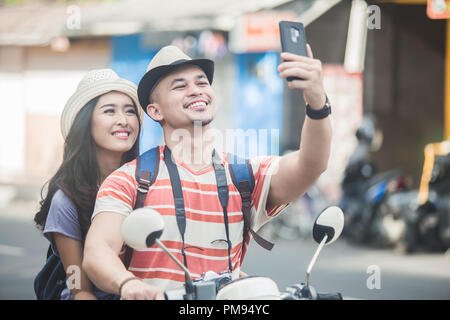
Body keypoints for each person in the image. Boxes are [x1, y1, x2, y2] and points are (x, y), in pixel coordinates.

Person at [83, 45, 332, 300]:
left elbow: (311, 165)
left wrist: (317, 102)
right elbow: (97, 251)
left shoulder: (244, 176)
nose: (195, 90)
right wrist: (128, 284)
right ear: (155, 111)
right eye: (180, 86)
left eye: (202, 82)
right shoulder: (130, 180)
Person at [34, 69, 144, 299]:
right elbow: (78, 286)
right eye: (109, 111)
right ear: (86, 122)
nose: (123, 120)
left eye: (130, 111)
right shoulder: (66, 200)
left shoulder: (148, 181)